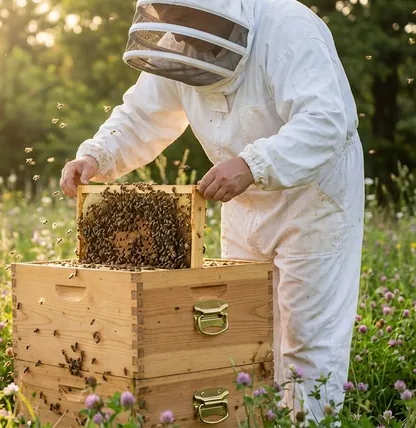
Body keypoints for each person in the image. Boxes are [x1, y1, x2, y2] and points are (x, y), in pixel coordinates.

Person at [59, 0, 364, 422]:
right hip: (242, 202)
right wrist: (98, 155)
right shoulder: (179, 42)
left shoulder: (288, 27)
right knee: (245, 332)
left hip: (313, 200)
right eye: (166, 19)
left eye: (181, 18)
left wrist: (253, 164)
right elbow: (143, 115)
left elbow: (327, 121)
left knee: (307, 341)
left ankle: (312, 421)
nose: (175, 32)